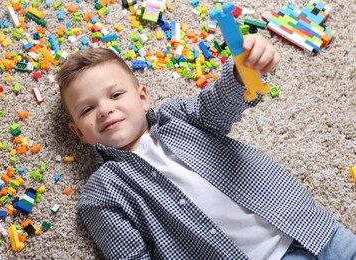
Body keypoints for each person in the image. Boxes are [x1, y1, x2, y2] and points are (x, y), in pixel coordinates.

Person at [55, 35, 356, 259]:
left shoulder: (179, 117)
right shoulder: (101, 195)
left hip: (313, 232)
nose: (105, 110)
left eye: (116, 94)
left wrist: (244, 71)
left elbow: (220, 103)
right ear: (78, 132)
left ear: (143, 97)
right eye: (87, 110)